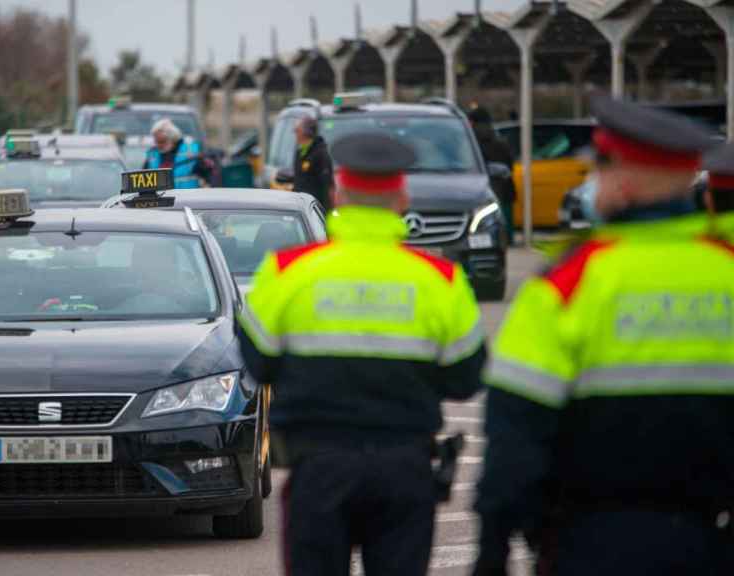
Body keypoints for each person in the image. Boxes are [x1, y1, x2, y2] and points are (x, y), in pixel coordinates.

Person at [473, 94, 732, 576]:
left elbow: (515, 430)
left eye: (602, 168)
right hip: (711, 543)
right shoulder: (726, 270)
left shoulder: (567, 283)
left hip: (590, 544)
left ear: (627, 183)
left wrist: (493, 548)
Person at [238, 132, 486, 576]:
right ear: (402, 198)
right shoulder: (441, 279)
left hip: (318, 468)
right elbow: (467, 379)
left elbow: (256, 364)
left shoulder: (287, 270)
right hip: (404, 469)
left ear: (337, 193)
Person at [469, 107, 516, 243]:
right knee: (506, 215)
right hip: (505, 187)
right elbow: (510, 163)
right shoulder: (500, 139)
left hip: (483, 187)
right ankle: (508, 239)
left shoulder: (471, 140)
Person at [143, 118, 211, 188]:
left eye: (162, 141)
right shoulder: (152, 155)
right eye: (156, 141)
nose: (158, 145)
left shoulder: (191, 152)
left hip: (188, 197)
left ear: (173, 138)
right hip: (161, 197)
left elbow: (208, 178)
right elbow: (144, 180)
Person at [291, 116, 334, 213]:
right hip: (300, 206)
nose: (295, 133)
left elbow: (326, 185)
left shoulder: (320, 153)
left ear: (306, 132)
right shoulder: (300, 152)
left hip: (315, 208)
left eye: (297, 130)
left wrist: (325, 211)